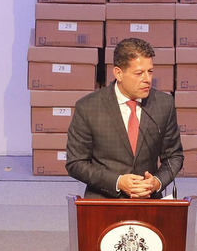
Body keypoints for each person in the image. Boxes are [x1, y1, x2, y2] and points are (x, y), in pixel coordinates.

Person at [65, 37, 183, 199]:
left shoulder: (164, 104)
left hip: (148, 201)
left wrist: (156, 182)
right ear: (118, 73)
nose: (147, 79)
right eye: (139, 73)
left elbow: (174, 156)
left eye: (150, 71)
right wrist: (118, 181)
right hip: (103, 202)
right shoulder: (88, 107)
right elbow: (76, 163)